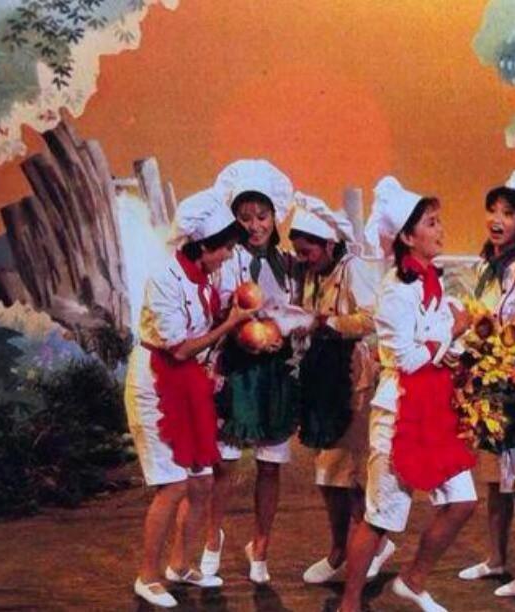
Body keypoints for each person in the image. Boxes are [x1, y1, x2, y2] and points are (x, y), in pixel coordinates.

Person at [339, 177, 477, 612]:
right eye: (431, 223)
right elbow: (409, 359)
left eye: (438, 221)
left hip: (435, 407)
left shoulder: (432, 284)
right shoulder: (395, 291)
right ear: (407, 237)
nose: (441, 230)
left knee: (462, 502)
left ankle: (413, 579)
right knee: (381, 517)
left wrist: (456, 341)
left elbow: (438, 350)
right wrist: (451, 330)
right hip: (399, 412)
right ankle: (349, 603)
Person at [126, 189, 250, 607]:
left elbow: (198, 336)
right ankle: (147, 575)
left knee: (201, 481)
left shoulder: (204, 279)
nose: (228, 256)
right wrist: (230, 324)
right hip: (157, 383)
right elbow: (179, 349)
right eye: (224, 248)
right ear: (202, 247)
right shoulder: (165, 279)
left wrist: (227, 317)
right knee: (173, 484)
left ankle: (179, 564)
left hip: (188, 382)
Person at [199, 159, 301, 584]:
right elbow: (219, 313)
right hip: (238, 370)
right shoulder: (228, 260)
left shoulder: (289, 264)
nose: (255, 225)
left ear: (276, 217)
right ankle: (212, 539)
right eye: (245, 218)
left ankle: (260, 546)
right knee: (224, 463)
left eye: (262, 216)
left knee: (270, 465)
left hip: (276, 374)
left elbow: (299, 314)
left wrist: (284, 335)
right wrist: (244, 333)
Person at [288, 193, 396, 585]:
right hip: (321, 375)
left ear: (329, 244)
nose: (304, 259)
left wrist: (326, 322)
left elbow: (372, 318)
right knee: (333, 472)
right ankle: (361, 544)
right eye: (299, 253)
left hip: (351, 378)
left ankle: (349, 548)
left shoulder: (354, 270)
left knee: (337, 471)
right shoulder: (313, 274)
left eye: (309, 251)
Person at [457, 173, 515, 598]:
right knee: (494, 480)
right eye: (492, 210)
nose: (497, 219)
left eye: (508, 213)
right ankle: (496, 559)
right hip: (487, 389)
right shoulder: (484, 269)